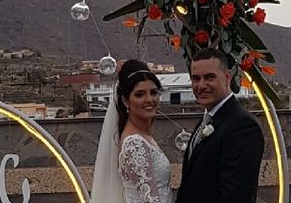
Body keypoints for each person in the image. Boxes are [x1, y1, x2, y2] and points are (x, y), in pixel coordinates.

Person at [176, 48, 264, 203]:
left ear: (227, 77)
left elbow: (236, 196)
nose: (201, 85)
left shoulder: (242, 127)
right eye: (195, 79)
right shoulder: (207, 120)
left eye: (209, 77)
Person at [91, 59, 173, 203]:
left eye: (153, 92)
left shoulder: (143, 136)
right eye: (140, 94)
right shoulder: (134, 144)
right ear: (125, 101)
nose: (149, 100)